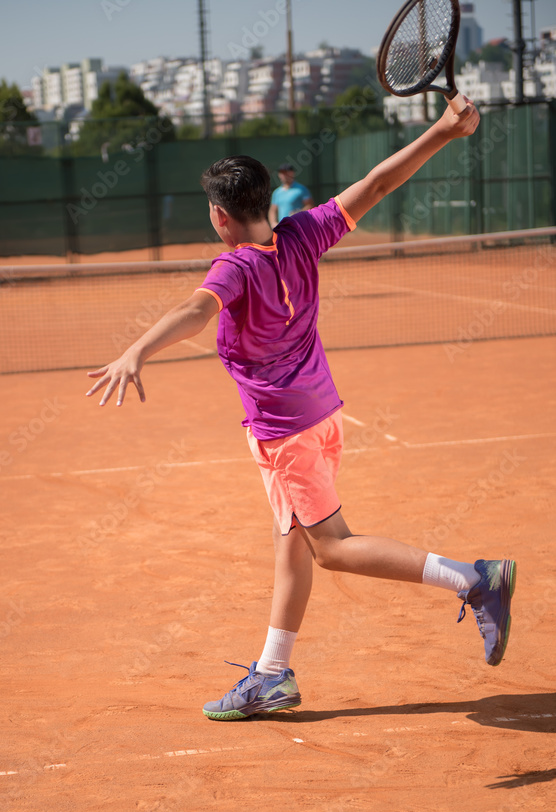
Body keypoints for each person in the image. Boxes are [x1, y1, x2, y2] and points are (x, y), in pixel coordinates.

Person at [86, 98, 517, 722]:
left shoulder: (232, 266)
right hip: (322, 417)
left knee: (331, 547)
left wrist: (136, 350)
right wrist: (446, 130)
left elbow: (196, 311)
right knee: (291, 544)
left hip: (286, 434)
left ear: (219, 217)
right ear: (267, 202)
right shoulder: (304, 233)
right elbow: (377, 182)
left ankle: (475, 578)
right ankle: (270, 675)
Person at [268, 163, 314, 227]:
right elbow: (272, 210)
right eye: (281, 173)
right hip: (283, 229)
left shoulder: (302, 189)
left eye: (286, 173)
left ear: (292, 173)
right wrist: (273, 223)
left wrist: (299, 212)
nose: (283, 175)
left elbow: (310, 205)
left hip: (298, 227)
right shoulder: (277, 192)